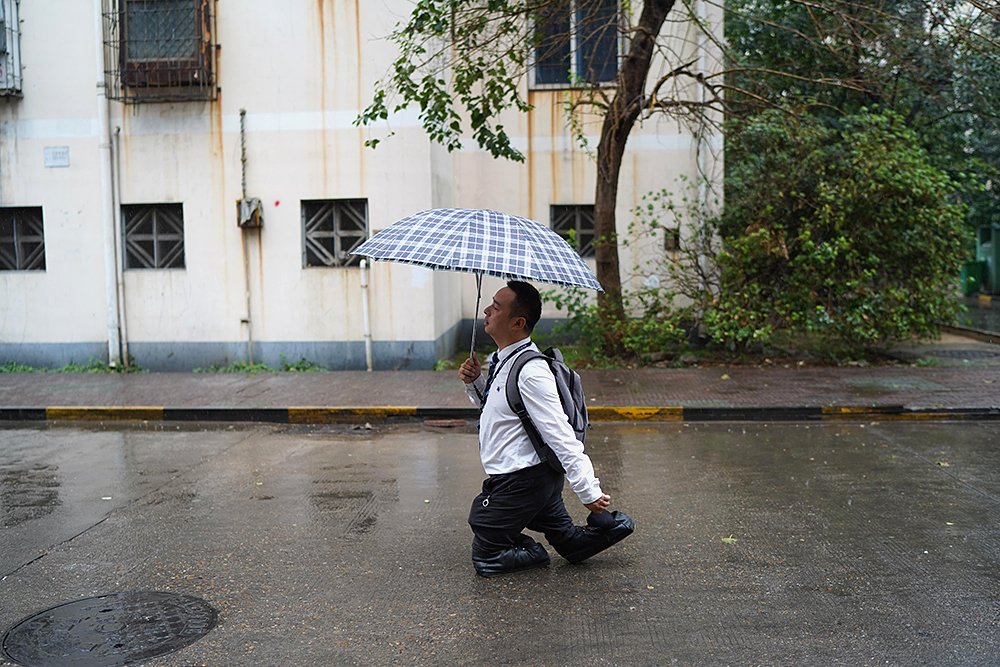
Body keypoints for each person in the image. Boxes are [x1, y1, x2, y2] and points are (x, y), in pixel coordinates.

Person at [458, 280, 634, 577]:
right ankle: (611, 528)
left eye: (496, 307)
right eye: (490, 303)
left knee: (485, 539)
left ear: (518, 322)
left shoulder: (531, 372)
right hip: (528, 479)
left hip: (525, 480)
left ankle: (535, 555)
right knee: (568, 541)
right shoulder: (502, 360)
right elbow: (496, 410)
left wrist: (589, 491)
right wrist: (474, 382)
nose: (487, 310)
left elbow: (560, 435)